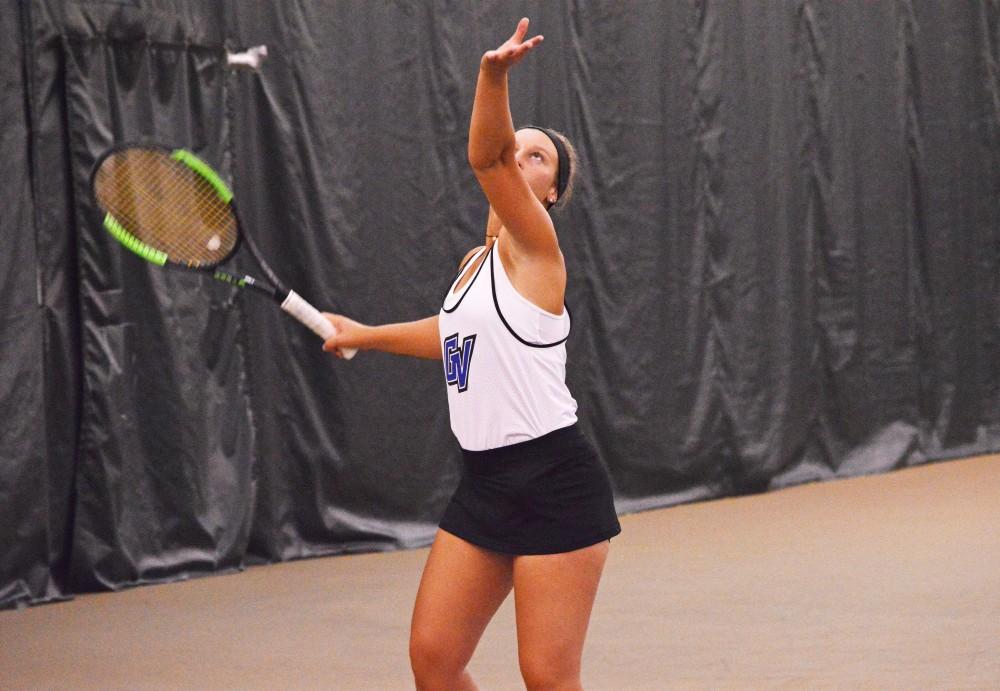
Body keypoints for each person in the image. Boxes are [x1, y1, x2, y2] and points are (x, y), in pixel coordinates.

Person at [322, 18, 620, 691]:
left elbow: (485, 158)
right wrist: (361, 333)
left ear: (547, 195)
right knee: (435, 658)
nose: (519, 154)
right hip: (484, 482)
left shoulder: (539, 254)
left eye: (537, 156)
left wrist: (493, 76)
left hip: (556, 481)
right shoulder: (472, 265)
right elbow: (451, 336)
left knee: (546, 676)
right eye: (518, 145)